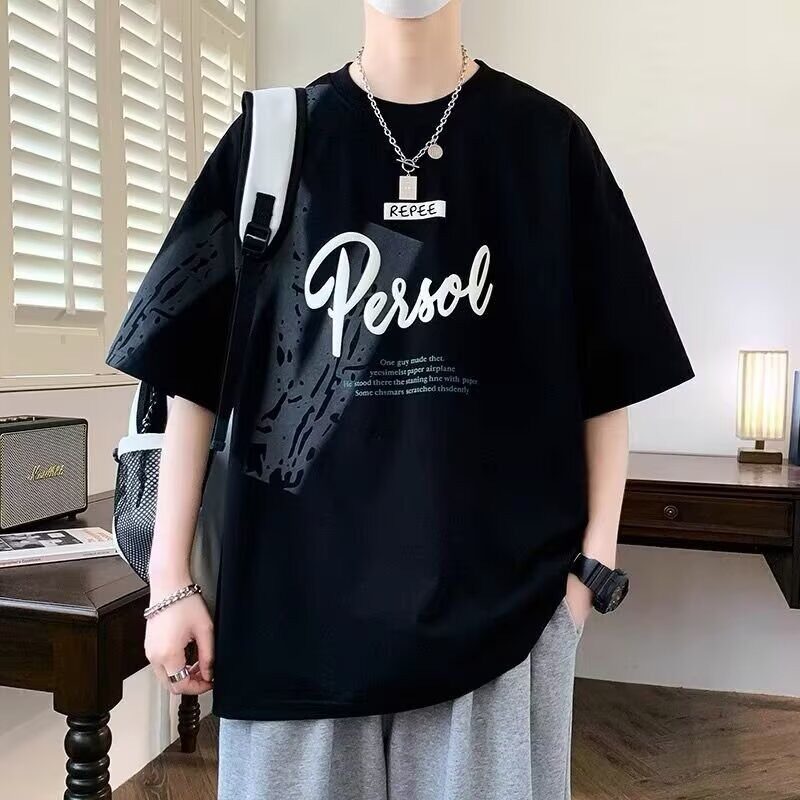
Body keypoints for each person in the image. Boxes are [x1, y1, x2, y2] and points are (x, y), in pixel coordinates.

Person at [106, 1, 694, 797]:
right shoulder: (274, 139)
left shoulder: (546, 143)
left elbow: (609, 375)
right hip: (295, 624)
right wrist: (169, 581)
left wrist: (592, 569)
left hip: (500, 621)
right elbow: (188, 371)